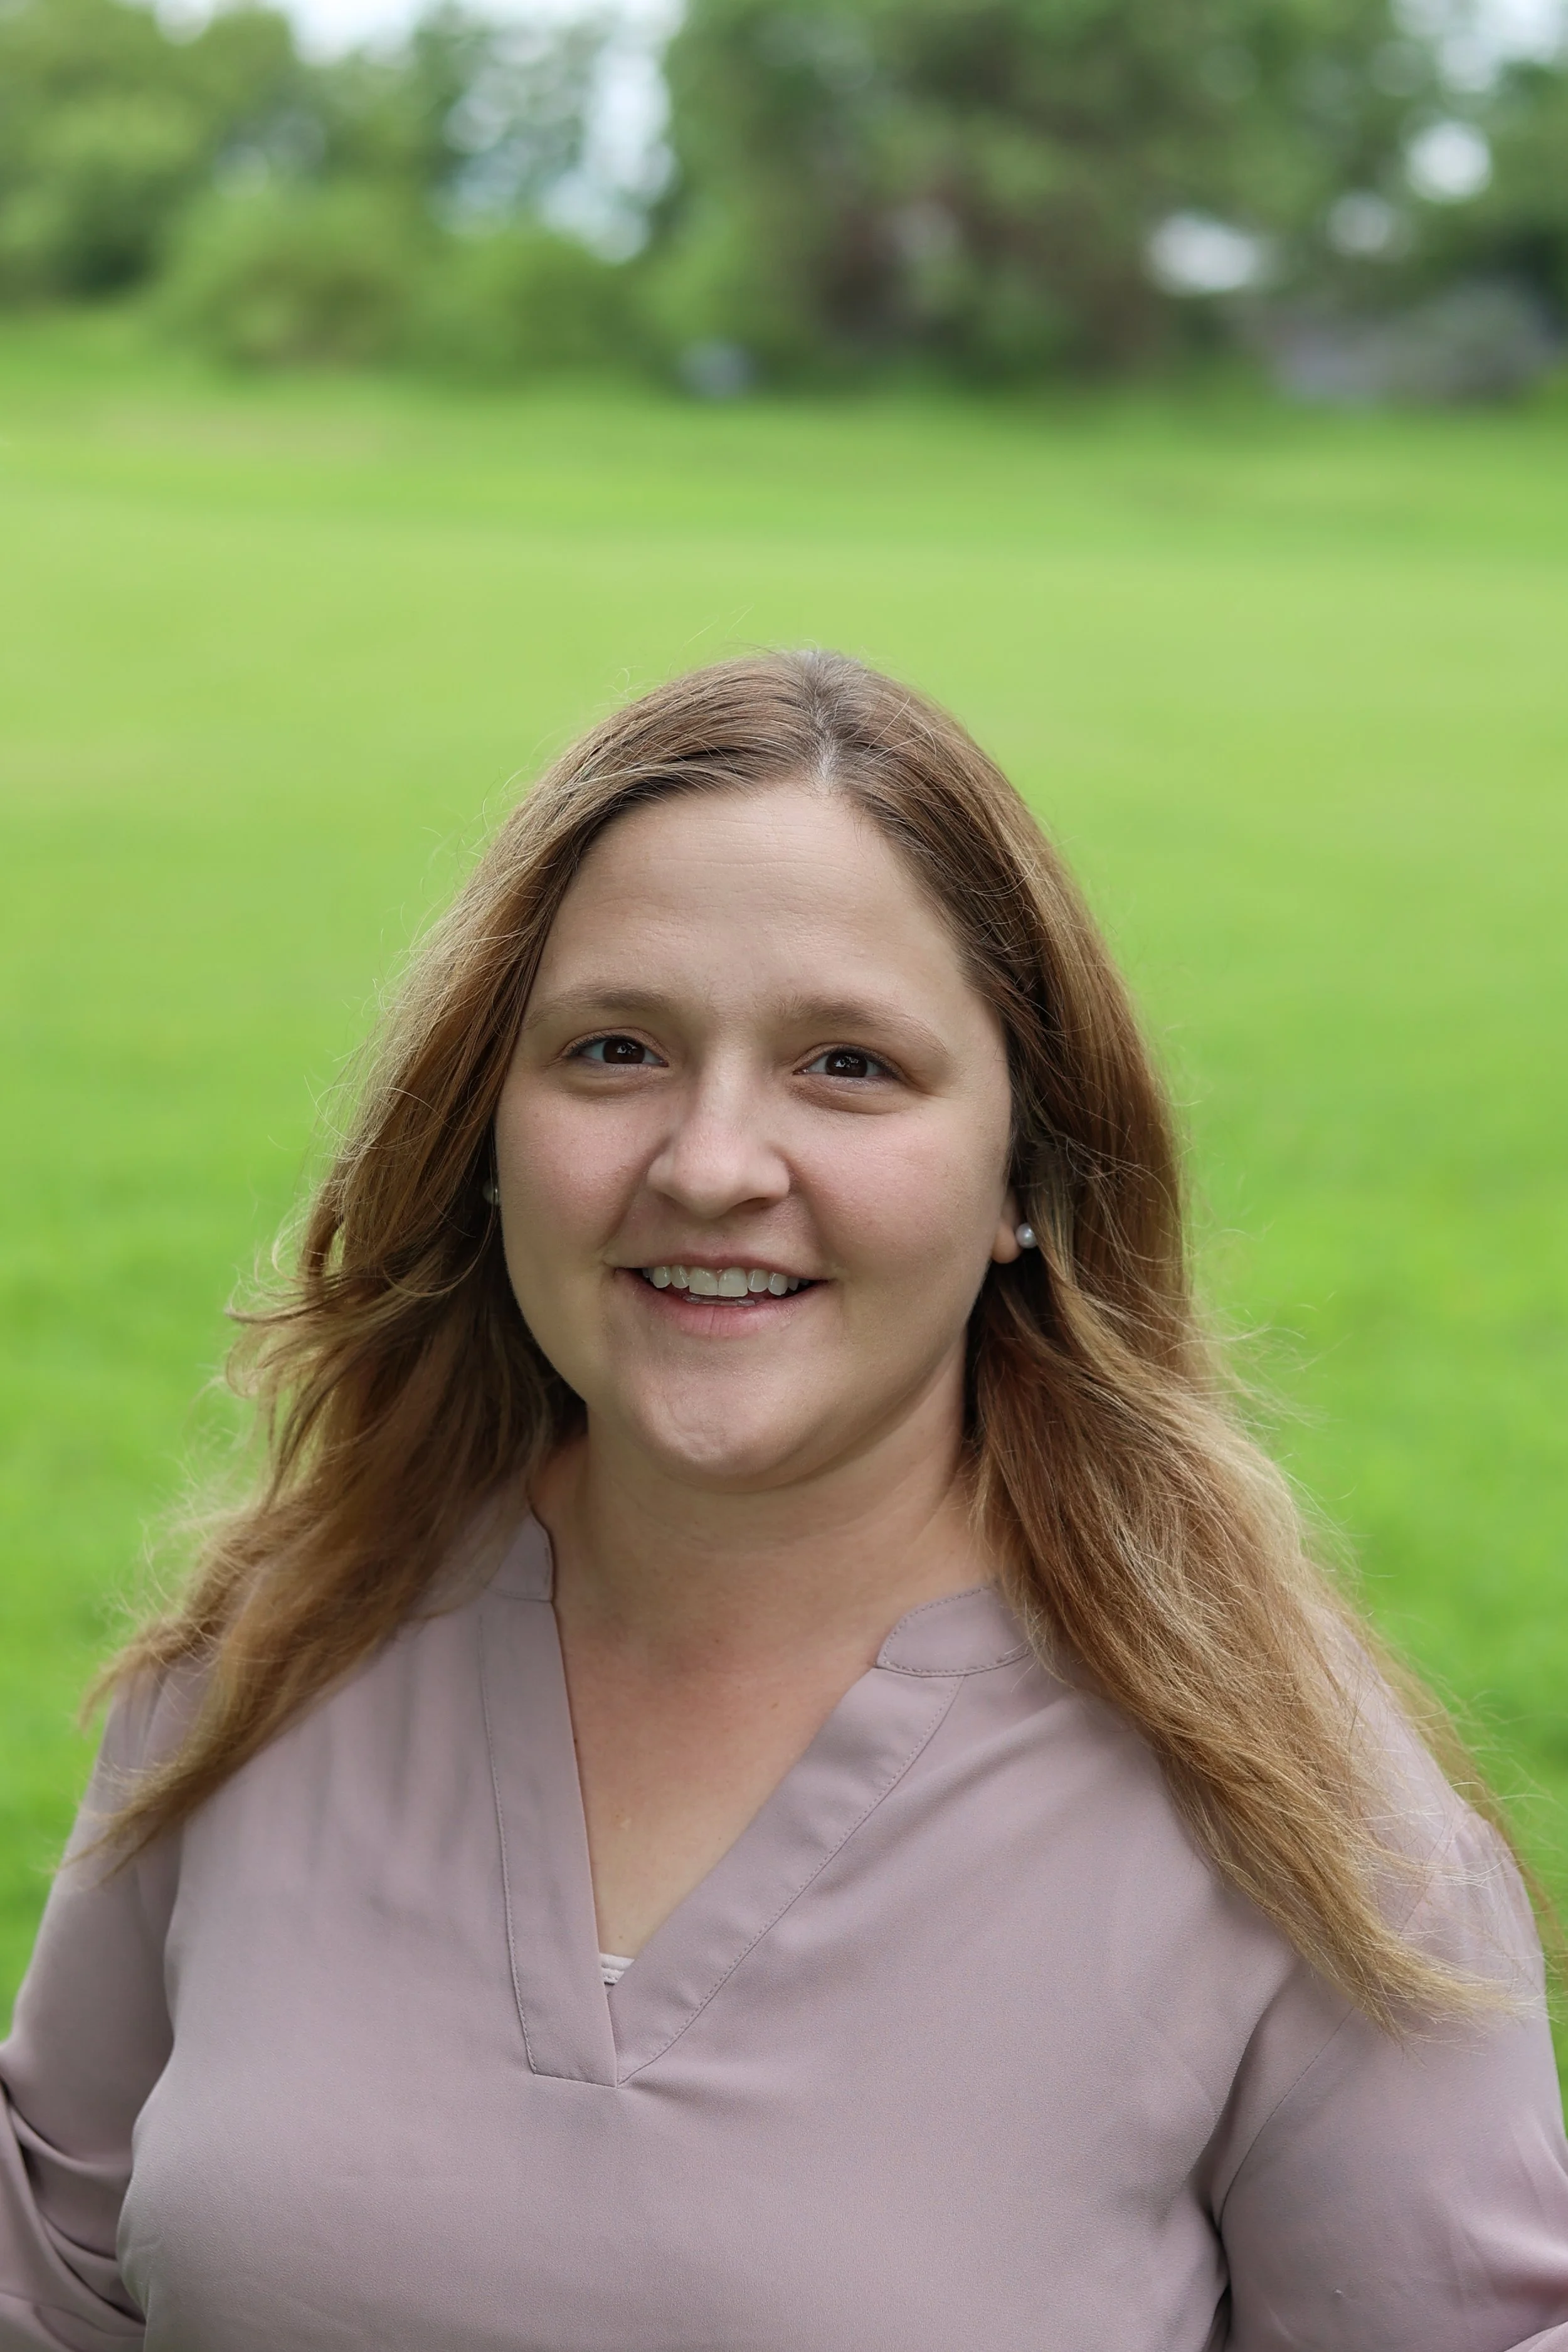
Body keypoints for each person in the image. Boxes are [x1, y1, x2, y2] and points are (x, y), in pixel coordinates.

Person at [2, 651, 1565, 2352]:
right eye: (615, 1049)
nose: (710, 1161)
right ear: (486, 1128)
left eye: (847, 1066)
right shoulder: (271, 1664)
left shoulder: (1301, 1825)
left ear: (1023, 1180)